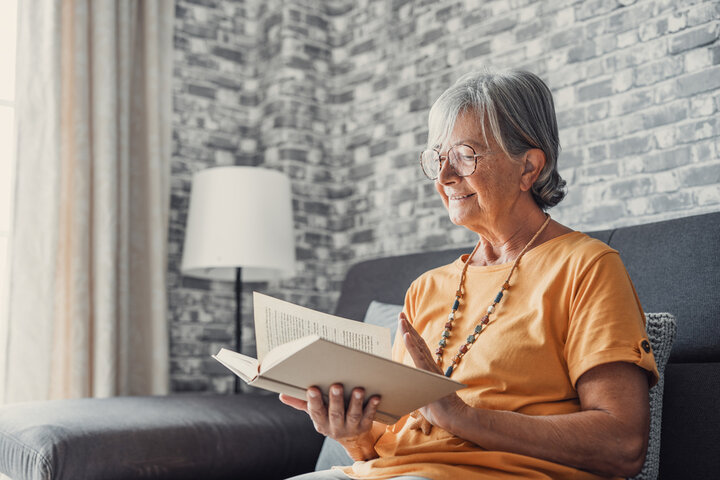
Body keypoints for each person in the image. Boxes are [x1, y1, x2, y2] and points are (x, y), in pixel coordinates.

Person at [280, 68, 659, 480]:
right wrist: (351, 434)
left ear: (528, 167)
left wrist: (462, 417)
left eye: (464, 155)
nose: (444, 177)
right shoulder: (425, 289)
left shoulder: (586, 267)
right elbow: (382, 445)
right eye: (438, 158)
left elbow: (622, 445)